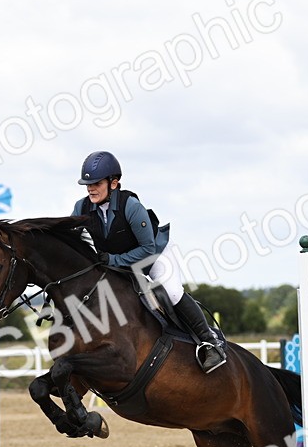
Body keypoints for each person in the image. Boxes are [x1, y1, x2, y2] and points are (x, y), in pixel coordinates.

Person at [70, 150, 227, 373]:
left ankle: (209, 341)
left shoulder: (131, 206)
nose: (90, 188)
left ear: (113, 183)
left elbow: (147, 249)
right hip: (116, 264)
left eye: (96, 183)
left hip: (153, 256)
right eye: (87, 184)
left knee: (171, 292)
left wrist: (113, 259)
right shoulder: (81, 207)